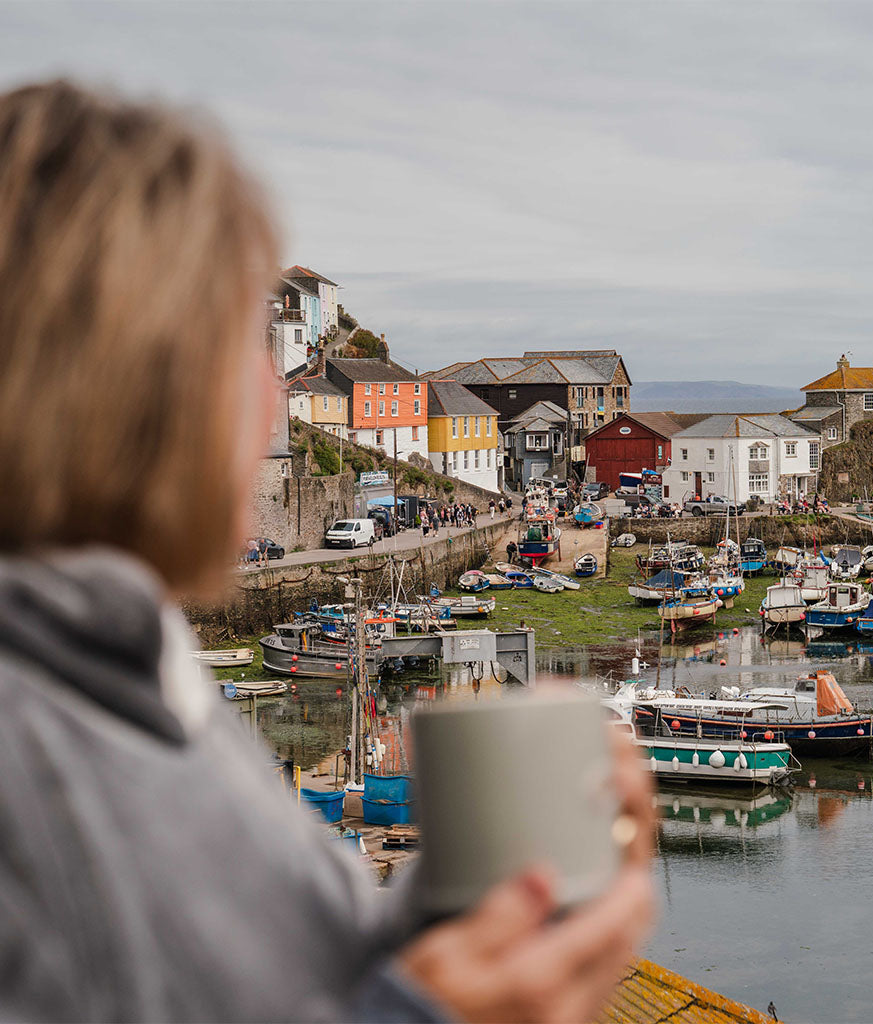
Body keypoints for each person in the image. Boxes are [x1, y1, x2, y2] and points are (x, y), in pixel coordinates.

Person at [0, 81, 653, 1023]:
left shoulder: (133, 675)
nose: (273, 401)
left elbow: (277, 962)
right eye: (245, 349)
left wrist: (470, 904)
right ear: (127, 373)